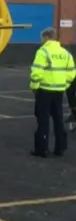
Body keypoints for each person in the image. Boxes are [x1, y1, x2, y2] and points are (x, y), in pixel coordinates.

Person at [29, 27, 76, 157]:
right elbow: (72, 73)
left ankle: (42, 149)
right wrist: (64, 85)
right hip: (59, 91)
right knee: (58, 120)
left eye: (42, 38)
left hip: (44, 90)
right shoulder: (65, 53)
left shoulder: (43, 52)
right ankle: (60, 148)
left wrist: (34, 86)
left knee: (43, 120)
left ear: (46, 37)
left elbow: (36, 72)